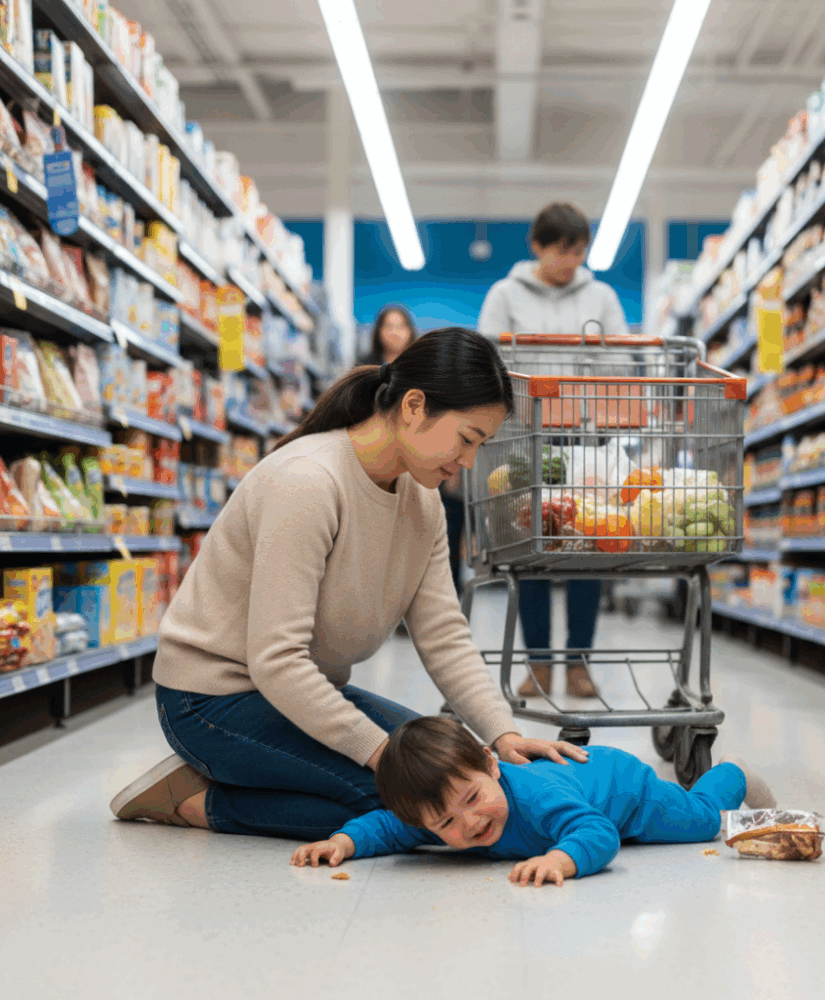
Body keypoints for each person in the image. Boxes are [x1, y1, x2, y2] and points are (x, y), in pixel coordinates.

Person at [109, 328, 588, 840]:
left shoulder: (421, 502)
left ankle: (261, 773)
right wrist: (384, 756)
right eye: (467, 438)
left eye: (481, 445)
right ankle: (195, 801)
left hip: (294, 693)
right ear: (413, 406)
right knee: (414, 803)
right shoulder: (308, 483)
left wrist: (501, 731)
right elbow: (277, 659)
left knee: (454, 768)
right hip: (209, 701)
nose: (469, 462)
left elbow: (444, 633)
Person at [290, 717, 777, 885]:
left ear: (491, 764)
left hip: (622, 789)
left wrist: (561, 860)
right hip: (588, 793)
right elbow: (388, 826)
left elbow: (598, 832)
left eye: (473, 797)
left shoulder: (536, 796)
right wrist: (343, 843)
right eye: (445, 823)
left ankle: (731, 772)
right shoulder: (438, 812)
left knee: (698, 820)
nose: (470, 823)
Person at [477, 202, 630, 698]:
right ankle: (539, 663)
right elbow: (487, 360)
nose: (572, 260)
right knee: (532, 551)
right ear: (539, 246)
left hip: (587, 439)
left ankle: (579, 663)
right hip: (526, 439)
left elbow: (622, 364)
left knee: (590, 547)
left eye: (580, 250)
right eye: (564, 249)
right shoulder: (505, 294)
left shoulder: (602, 296)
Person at [358, 305, 464, 599]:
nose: (394, 332)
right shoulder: (364, 371)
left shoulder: (426, 372)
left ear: (410, 332)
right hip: (376, 465)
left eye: (401, 326)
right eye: (388, 326)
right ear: (378, 332)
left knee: (419, 535)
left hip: (420, 464)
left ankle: (421, 603)